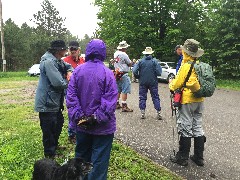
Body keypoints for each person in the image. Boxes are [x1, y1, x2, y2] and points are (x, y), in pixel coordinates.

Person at [66, 39, 118, 180]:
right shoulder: (108, 74)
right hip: (103, 128)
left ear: (88, 51)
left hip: (82, 127)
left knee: (81, 161)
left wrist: (80, 117)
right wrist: (95, 118)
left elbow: (71, 98)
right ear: (103, 52)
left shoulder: (77, 72)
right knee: (99, 164)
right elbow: (110, 101)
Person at [169, 39, 206, 166]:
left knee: (185, 126)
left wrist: (171, 85)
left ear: (186, 52)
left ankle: (182, 157)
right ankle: (198, 157)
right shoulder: (200, 64)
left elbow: (177, 84)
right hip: (199, 99)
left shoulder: (186, 66)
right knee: (197, 126)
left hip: (187, 100)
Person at [35, 40, 73, 159]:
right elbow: (57, 83)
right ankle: (49, 153)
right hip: (47, 102)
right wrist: (70, 81)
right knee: (49, 128)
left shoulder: (57, 60)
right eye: (64, 49)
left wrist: (69, 71)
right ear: (58, 50)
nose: (66, 51)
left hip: (54, 101)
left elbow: (68, 65)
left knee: (58, 123)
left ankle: (54, 146)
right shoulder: (49, 62)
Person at [63, 41, 85, 144]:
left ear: (79, 50)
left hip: (81, 89)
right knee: (72, 110)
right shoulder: (64, 61)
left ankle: (80, 131)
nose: (73, 51)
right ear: (68, 50)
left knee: (81, 110)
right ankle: (71, 134)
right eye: (71, 49)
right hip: (69, 89)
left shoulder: (82, 61)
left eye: (75, 49)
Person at [133, 47, 162, 120]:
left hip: (142, 82)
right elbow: (159, 72)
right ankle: (158, 112)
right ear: (151, 53)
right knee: (155, 97)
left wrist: (138, 77)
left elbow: (134, 71)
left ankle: (142, 113)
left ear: (145, 54)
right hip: (153, 82)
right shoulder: (155, 61)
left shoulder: (140, 61)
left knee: (142, 97)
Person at [114, 40, 133, 112]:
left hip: (117, 73)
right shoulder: (124, 54)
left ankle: (116, 103)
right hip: (124, 73)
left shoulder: (115, 54)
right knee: (125, 89)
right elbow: (129, 63)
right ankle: (124, 106)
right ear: (124, 48)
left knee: (118, 90)